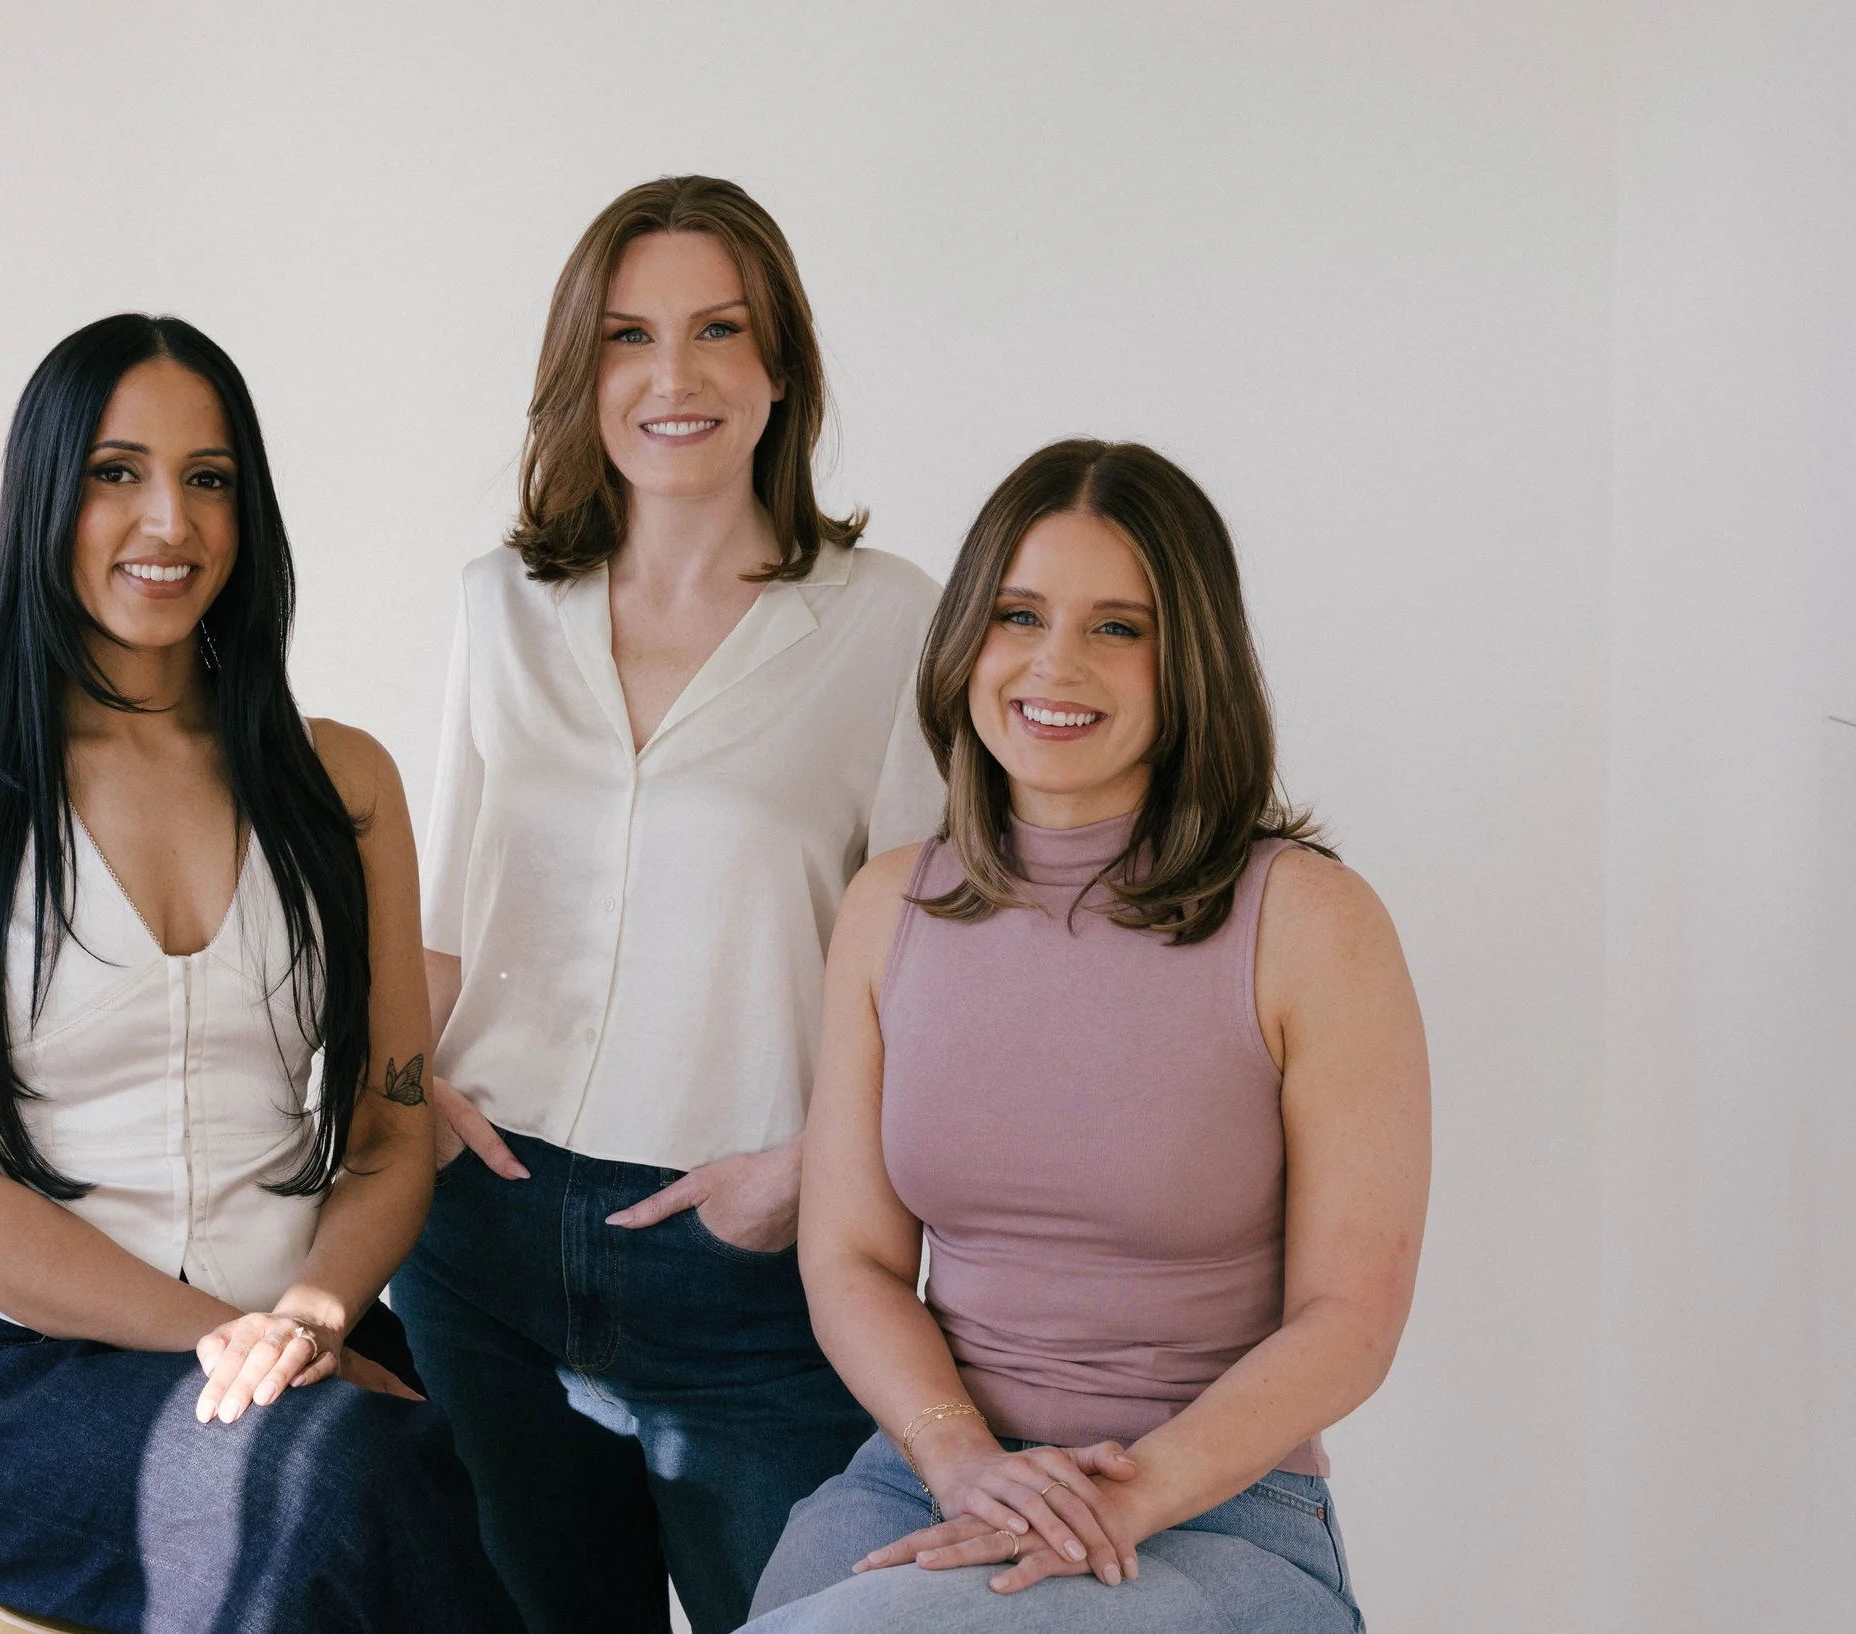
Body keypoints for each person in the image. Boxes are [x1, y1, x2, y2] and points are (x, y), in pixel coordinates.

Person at [0, 314, 520, 1633]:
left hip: (299, 1348)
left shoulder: (345, 782)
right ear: (48, 491)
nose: (169, 517)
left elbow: (388, 1132)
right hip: (31, 1377)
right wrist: (224, 1337)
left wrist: (309, 1316)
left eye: (208, 477)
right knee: (339, 1492)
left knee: (345, 1502)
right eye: (117, 471)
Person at [743, 439, 1430, 1632]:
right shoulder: (887, 906)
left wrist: (1119, 1495)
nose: (1055, 662)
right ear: (967, 636)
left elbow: (1351, 1316)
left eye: (1120, 626)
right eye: (1019, 613)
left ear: (1192, 661)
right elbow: (850, 1256)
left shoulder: (1311, 920)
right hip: (929, 1472)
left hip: (1215, 1506)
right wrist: (960, 1457)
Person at [391, 176, 946, 1634]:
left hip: (748, 1267)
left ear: (781, 370)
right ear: (585, 373)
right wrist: (399, 1096)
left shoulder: (887, 619)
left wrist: (808, 1168)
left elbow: (941, 979)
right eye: (631, 336)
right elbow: (441, 922)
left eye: (719, 331)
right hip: (483, 1243)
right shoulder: (497, 604)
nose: (674, 376)